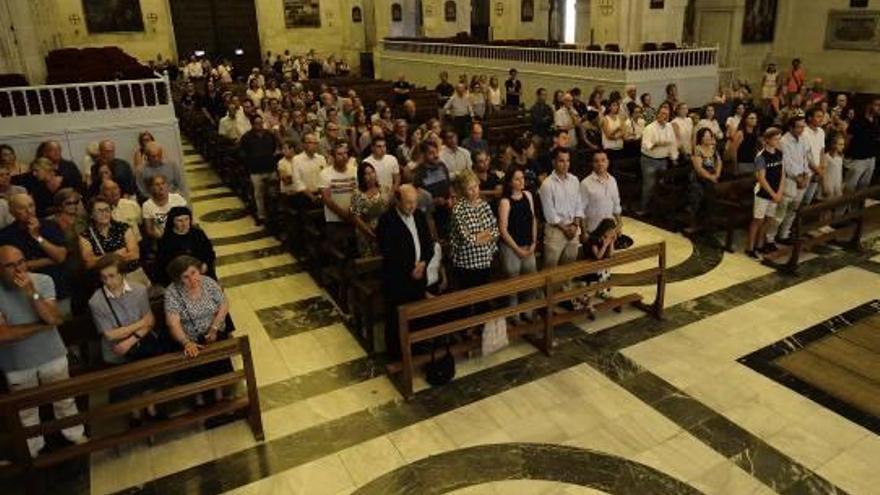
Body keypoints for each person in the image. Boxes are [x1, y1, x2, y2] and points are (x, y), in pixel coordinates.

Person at [0, 245, 87, 457]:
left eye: (21, 262)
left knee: (64, 400)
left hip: (52, 354)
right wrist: (40, 326)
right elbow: (4, 335)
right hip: (17, 362)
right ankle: (32, 449)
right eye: (10, 266)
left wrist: (32, 294)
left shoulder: (43, 281)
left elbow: (54, 318)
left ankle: (75, 435)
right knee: (26, 410)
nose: (19, 270)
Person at [377, 185, 434, 359]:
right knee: (397, 319)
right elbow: (389, 252)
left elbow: (428, 245)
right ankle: (397, 355)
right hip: (398, 280)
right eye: (408, 203)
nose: (412, 206)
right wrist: (410, 269)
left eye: (415, 202)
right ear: (398, 201)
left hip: (418, 276)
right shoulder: (387, 220)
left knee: (417, 316)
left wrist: (423, 263)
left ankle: (417, 349)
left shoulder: (419, 216)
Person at [163, 255, 230, 404]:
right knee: (194, 361)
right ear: (178, 279)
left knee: (218, 359)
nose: (192, 280)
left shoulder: (208, 282)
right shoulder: (172, 292)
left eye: (193, 273)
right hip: (190, 339)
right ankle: (198, 398)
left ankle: (218, 394)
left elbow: (224, 304)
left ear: (199, 270)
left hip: (215, 333)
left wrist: (214, 328)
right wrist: (186, 342)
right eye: (185, 277)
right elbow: (173, 323)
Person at [0, 194, 70, 315]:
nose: (29, 211)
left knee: (65, 326)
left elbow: (60, 257)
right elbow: (15, 267)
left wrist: (37, 237)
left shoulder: (50, 225)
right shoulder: (5, 236)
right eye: (22, 208)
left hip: (58, 287)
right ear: (12, 212)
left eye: (31, 206)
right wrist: (47, 260)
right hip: (25, 293)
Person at [88, 253, 156, 366]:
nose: (107, 282)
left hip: (142, 347)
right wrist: (141, 323)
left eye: (111, 276)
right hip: (115, 354)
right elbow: (111, 335)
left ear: (123, 274)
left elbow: (150, 322)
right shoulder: (96, 301)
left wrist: (130, 341)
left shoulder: (139, 290)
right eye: (103, 277)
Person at [497, 168, 537, 320]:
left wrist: (533, 242)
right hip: (511, 246)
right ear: (510, 182)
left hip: (528, 244)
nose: (522, 182)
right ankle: (514, 313)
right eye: (517, 179)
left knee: (530, 277)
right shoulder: (505, 202)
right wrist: (517, 249)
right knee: (513, 279)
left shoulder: (528, 195)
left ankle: (528, 309)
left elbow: (533, 218)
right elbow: (503, 230)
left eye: (522, 178)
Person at [449, 170, 498, 289]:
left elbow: (495, 231)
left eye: (475, 186)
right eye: (470, 188)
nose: (474, 191)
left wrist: (478, 237)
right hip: (467, 263)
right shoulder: (458, 210)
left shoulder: (484, 205)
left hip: (485, 259)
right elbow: (467, 239)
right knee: (467, 301)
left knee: (483, 300)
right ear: (463, 190)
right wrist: (485, 235)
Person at [767, 116, 810, 247]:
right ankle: (770, 238)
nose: (802, 129)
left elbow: (805, 158)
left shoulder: (803, 139)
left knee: (793, 210)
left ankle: (784, 234)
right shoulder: (783, 141)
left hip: (802, 179)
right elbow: (786, 162)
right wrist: (797, 178)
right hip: (789, 180)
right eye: (799, 126)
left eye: (803, 126)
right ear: (791, 127)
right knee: (780, 211)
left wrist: (806, 174)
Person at [79, 198, 142, 286]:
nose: (104, 213)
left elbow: (134, 255)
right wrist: (117, 254)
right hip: (106, 280)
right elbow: (89, 263)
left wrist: (101, 259)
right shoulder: (85, 235)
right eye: (100, 211)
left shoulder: (123, 227)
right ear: (91, 215)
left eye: (107, 210)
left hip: (131, 275)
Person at [540, 148, 583, 273]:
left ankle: (566, 291)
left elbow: (579, 205)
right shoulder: (547, 184)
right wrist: (565, 229)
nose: (565, 164)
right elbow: (550, 214)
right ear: (554, 162)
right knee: (550, 271)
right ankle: (549, 293)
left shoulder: (574, 180)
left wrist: (575, 225)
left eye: (568, 161)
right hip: (556, 231)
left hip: (573, 229)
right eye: (561, 161)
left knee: (569, 270)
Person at [746, 128, 785, 258]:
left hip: (775, 192)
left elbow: (782, 174)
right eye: (775, 139)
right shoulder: (761, 157)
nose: (778, 141)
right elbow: (761, 178)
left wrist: (779, 192)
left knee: (769, 219)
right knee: (758, 220)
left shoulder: (779, 153)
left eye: (779, 139)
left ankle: (760, 245)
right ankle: (750, 248)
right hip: (763, 193)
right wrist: (773, 194)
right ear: (767, 140)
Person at [156, 207, 216, 285]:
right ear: (172, 221)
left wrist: (206, 263)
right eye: (179, 220)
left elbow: (209, 252)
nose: (184, 224)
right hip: (180, 277)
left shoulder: (198, 234)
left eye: (187, 219)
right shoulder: (166, 240)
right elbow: (164, 263)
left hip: (202, 272)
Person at [239, 115, 279, 224]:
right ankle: (261, 215)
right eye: (257, 123)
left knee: (273, 193)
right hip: (255, 170)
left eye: (261, 123)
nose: (259, 125)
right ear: (252, 124)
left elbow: (274, 147)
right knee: (259, 194)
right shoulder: (246, 137)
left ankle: (274, 215)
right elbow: (243, 153)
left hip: (270, 168)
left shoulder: (269, 135)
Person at [639, 106, 679, 213]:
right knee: (649, 185)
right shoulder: (649, 128)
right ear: (657, 114)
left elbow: (672, 143)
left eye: (667, 114)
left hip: (663, 160)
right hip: (649, 160)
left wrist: (674, 157)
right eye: (662, 114)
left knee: (661, 184)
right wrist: (657, 143)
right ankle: (644, 208)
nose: (665, 116)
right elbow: (646, 146)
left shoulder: (669, 126)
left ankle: (657, 209)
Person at [320, 143, 358, 248]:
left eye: (346, 153)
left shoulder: (354, 170)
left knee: (354, 248)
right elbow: (327, 199)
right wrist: (343, 214)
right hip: (334, 219)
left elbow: (358, 192)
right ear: (333, 156)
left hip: (354, 216)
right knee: (337, 248)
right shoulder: (325, 173)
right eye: (340, 154)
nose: (344, 156)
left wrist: (352, 210)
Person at [412, 141, 453, 237]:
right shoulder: (419, 173)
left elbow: (449, 185)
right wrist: (434, 201)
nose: (435, 156)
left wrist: (451, 197)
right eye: (431, 153)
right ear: (423, 155)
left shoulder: (442, 166)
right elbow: (418, 199)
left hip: (447, 209)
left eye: (436, 152)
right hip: (430, 214)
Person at [350, 162, 390, 257]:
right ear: (362, 177)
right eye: (367, 174)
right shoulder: (357, 194)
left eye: (372, 172)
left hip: (384, 228)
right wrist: (369, 232)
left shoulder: (384, 189)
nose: (371, 176)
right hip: (366, 231)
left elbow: (389, 209)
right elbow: (355, 216)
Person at [687, 128, 723, 231]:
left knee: (715, 191)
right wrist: (711, 177)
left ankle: (710, 220)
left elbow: (719, 162)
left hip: (713, 174)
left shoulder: (713, 148)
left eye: (709, 136)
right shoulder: (697, 149)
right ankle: (697, 222)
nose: (708, 138)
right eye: (705, 136)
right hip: (700, 177)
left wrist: (717, 174)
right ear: (701, 138)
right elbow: (699, 169)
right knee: (701, 193)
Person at [580, 151, 622, 237]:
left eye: (603, 160)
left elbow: (616, 206)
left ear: (608, 162)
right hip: (593, 231)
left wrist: (619, 225)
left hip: (611, 230)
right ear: (592, 163)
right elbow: (581, 210)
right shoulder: (585, 183)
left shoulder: (613, 180)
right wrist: (584, 232)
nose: (600, 164)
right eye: (596, 161)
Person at [844, 98, 880, 194]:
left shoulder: (877, 121)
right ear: (869, 106)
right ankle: (841, 209)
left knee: (863, 189)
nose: (879, 108)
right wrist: (845, 154)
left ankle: (857, 208)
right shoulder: (857, 120)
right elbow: (848, 138)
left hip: (871, 159)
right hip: (857, 159)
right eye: (877, 105)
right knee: (849, 187)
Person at [142, 175, 188, 241]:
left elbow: (188, 219)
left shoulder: (178, 199)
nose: (161, 187)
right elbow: (149, 230)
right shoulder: (147, 205)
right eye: (157, 185)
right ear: (151, 188)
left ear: (167, 185)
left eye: (163, 183)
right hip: (162, 239)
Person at [583, 218, 617, 300]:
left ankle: (603, 292)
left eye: (613, 231)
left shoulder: (607, 237)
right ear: (605, 229)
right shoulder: (594, 238)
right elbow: (598, 256)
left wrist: (611, 242)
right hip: (591, 264)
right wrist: (605, 245)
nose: (612, 232)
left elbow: (610, 254)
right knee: (599, 271)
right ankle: (588, 300)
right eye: (611, 230)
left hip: (601, 265)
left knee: (606, 269)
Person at [802, 108, 827, 207]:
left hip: (817, 170)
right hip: (806, 170)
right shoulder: (804, 132)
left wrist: (821, 168)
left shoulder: (821, 131)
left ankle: (802, 222)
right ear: (809, 118)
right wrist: (817, 169)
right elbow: (805, 155)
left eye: (822, 116)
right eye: (818, 116)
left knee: (808, 199)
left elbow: (822, 151)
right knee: (800, 198)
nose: (821, 119)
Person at [728, 111, 761, 175]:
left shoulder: (755, 132)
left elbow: (755, 148)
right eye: (751, 118)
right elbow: (733, 150)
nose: (754, 120)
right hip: (743, 163)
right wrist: (735, 167)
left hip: (753, 162)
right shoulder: (740, 133)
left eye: (755, 118)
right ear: (745, 120)